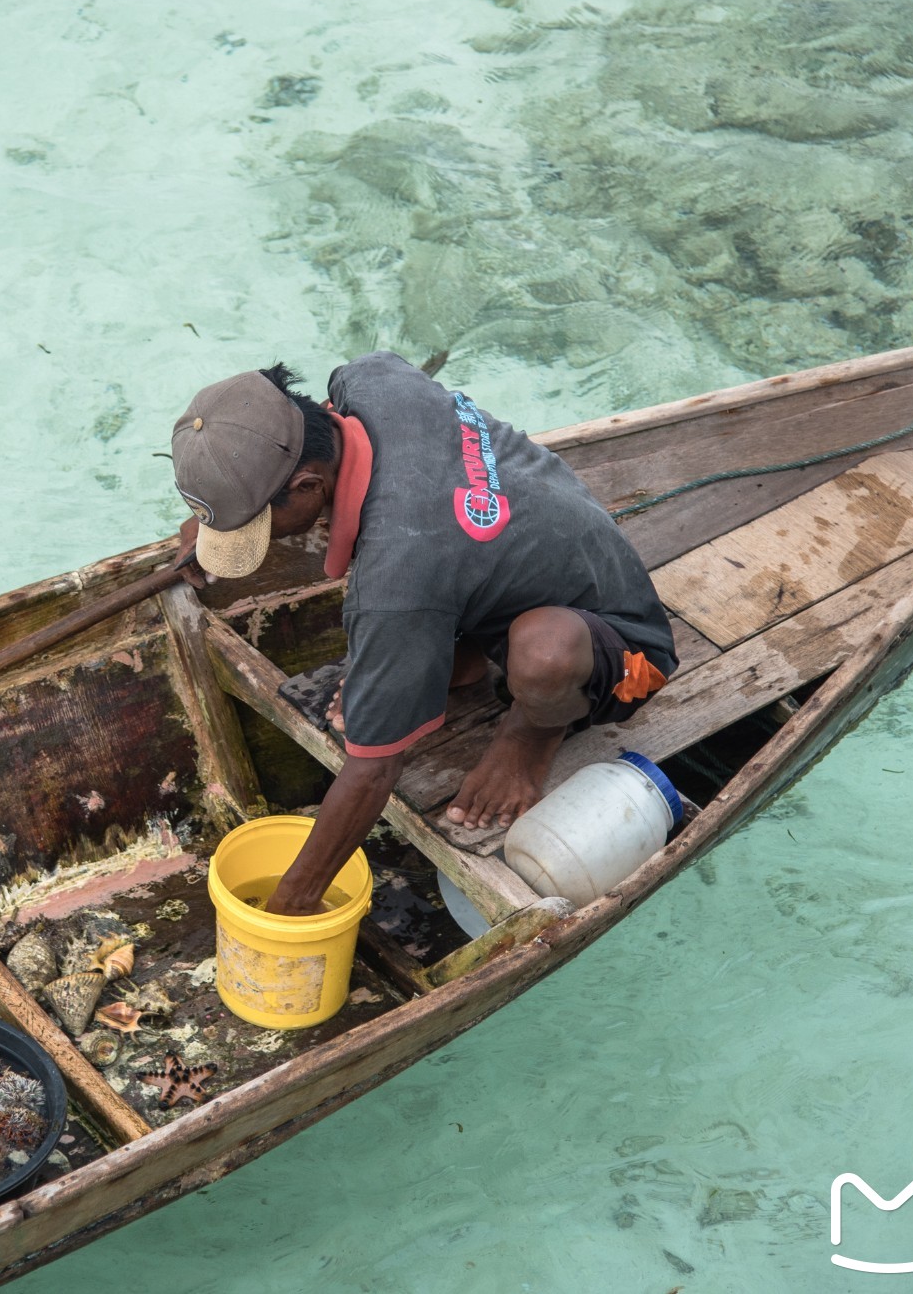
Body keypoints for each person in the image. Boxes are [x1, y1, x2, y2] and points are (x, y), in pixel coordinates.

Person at [170, 354, 678, 916]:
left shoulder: (399, 576)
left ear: (310, 484)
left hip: (615, 644)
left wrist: (291, 901)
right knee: (427, 588)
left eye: (261, 523)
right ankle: (451, 665)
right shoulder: (370, 381)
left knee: (544, 652)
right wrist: (223, 517)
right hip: (508, 550)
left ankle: (531, 736)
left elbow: (376, 768)